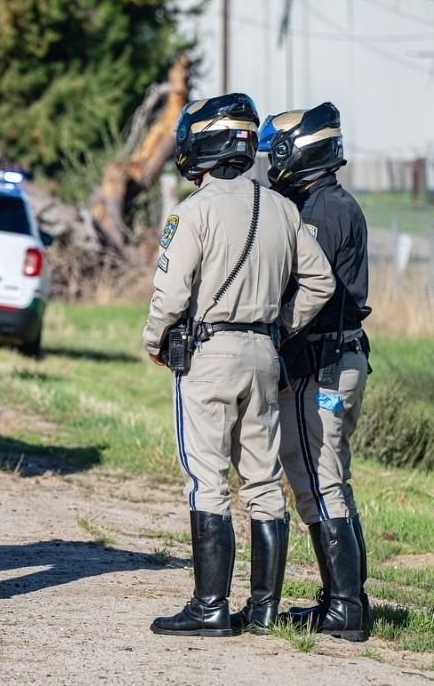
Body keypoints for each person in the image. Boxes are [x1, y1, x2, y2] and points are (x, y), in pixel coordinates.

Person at [142, 93, 334, 637]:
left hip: (209, 353)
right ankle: (265, 610)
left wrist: (155, 340)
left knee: (207, 477)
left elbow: (171, 293)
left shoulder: (192, 211)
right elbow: (320, 281)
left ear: (200, 144)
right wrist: (281, 321)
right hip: (264, 353)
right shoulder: (281, 207)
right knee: (263, 479)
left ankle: (210, 609)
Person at [259, 103, 373, 641]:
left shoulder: (323, 211)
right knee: (330, 480)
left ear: (298, 152)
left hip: (323, 365)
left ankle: (345, 609)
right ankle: (343, 600)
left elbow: (308, 286)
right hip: (338, 360)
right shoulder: (326, 202)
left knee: (317, 480)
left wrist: (273, 328)